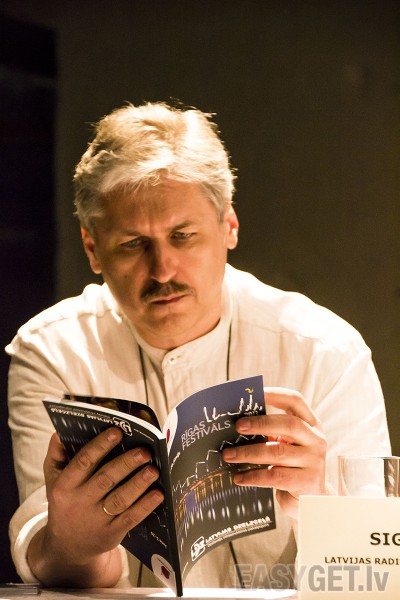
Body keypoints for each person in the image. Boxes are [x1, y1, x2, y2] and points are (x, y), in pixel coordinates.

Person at [6, 101, 390, 590]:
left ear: (229, 226)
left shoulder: (325, 351)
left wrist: (322, 505)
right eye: (132, 244)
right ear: (92, 249)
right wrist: (75, 544)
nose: (162, 269)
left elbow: (376, 575)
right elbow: (62, 567)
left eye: (182, 235)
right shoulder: (52, 350)